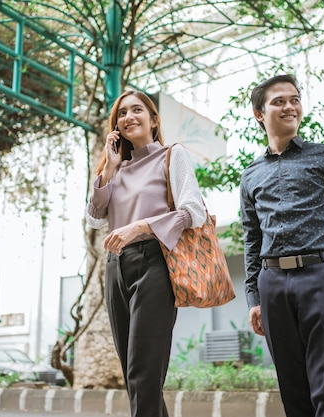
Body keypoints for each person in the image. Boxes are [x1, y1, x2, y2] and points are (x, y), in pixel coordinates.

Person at [239, 74, 324, 417]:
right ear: (259, 113)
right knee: (292, 388)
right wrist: (254, 298)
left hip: (323, 277)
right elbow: (252, 238)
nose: (290, 106)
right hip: (272, 285)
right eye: (279, 101)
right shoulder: (250, 174)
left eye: (295, 99)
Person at [85, 90, 206, 417]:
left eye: (137, 110)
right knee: (135, 375)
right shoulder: (116, 168)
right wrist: (109, 170)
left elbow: (193, 211)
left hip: (154, 262)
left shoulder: (171, 155)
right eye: (122, 113)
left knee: (143, 372)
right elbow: (95, 219)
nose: (128, 117)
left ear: (154, 119)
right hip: (116, 269)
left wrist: (140, 227)